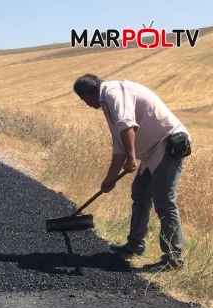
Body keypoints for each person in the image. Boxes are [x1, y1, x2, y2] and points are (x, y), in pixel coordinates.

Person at [73, 73, 191, 272]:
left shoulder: (113, 92)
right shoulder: (108, 105)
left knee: (164, 201)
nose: (85, 104)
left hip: (168, 144)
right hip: (152, 152)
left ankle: (173, 259)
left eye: (83, 99)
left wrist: (131, 158)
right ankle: (135, 245)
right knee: (140, 194)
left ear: (87, 94)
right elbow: (119, 145)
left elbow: (128, 125)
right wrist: (110, 178)